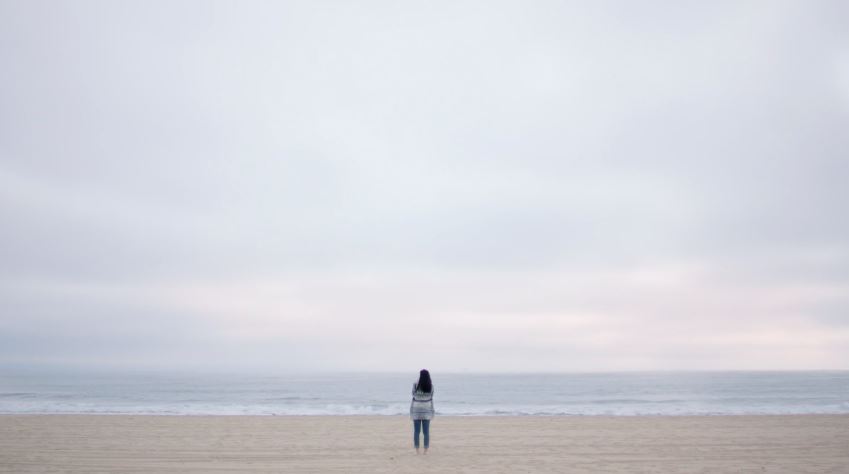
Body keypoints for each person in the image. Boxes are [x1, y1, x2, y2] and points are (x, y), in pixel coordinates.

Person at [410, 369, 434, 454]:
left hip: (416, 410)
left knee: (416, 431)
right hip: (426, 410)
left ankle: (417, 450)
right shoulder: (431, 385)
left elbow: (413, 394)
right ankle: (425, 450)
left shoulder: (415, 384)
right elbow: (431, 395)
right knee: (426, 432)